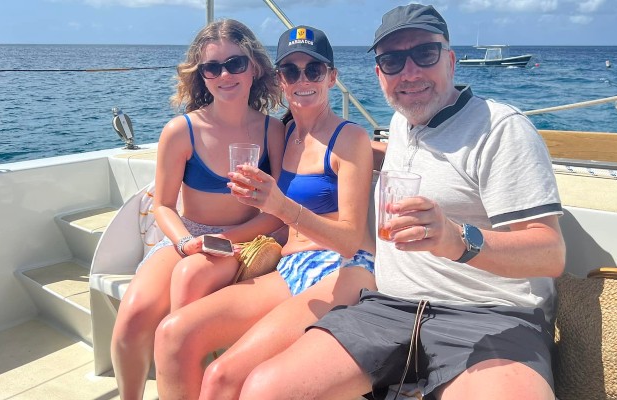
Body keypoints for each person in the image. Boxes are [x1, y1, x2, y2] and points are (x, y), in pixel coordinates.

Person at [239, 4, 567, 400]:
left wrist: (458, 240)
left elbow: (550, 253)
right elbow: (392, 154)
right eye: (392, 61)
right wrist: (352, 155)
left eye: (424, 54)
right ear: (379, 74)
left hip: (489, 315)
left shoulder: (501, 129)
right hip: (390, 308)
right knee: (263, 389)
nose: (409, 73)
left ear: (450, 60)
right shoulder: (402, 124)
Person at [153, 25, 376, 399]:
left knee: (223, 377)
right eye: (291, 71)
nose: (302, 79)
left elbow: (351, 238)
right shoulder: (286, 134)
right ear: (280, 81)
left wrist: (280, 205)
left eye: (314, 70)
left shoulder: (350, 138)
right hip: (290, 266)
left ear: (332, 77)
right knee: (173, 334)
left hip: (341, 268)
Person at [110, 19, 286, 400]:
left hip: (245, 239)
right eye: (212, 67)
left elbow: (276, 213)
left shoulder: (273, 132)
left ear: (254, 67)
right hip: (188, 236)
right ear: (201, 76)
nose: (225, 74)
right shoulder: (181, 130)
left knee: (184, 320)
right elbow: (162, 206)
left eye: (235, 63)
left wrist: (220, 240)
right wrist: (189, 241)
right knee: (131, 319)